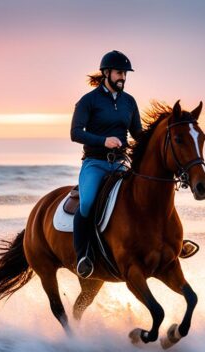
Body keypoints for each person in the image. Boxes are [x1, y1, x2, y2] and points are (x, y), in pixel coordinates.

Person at [70, 50, 142, 278]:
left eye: (125, 74)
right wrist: (104, 141)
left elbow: (138, 133)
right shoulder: (88, 101)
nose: (123, 77)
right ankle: (83, 256)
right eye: (119, 73)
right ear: (106, 73)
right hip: (95, 163)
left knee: (143, 197)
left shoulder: (129, 102)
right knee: (88, 202)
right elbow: (75, 133)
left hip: (121, 164)